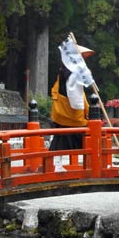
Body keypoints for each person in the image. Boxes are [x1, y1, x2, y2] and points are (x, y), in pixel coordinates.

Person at [49, 44, 93, 172]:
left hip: (62, 112)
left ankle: (58, 164)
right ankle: (89, 163)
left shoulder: (64, 70)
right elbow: (75, 95)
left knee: (60, 139)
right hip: (71, 112)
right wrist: (82, 109)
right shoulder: (72, 72)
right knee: (85, 136)